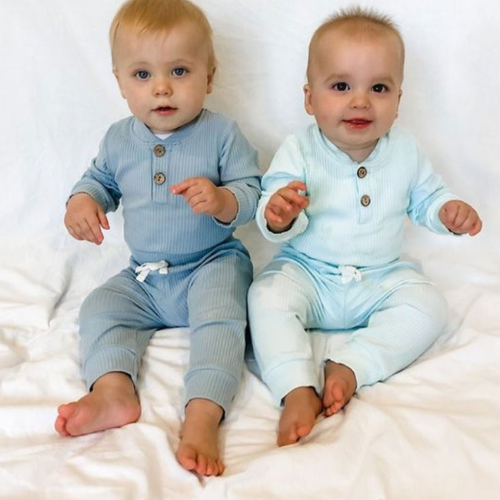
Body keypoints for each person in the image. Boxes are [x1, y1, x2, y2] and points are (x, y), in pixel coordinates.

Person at [247, 6, 482, 448]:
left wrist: (447, 211)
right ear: (309, 99)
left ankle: (352, 366)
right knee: (265, 297)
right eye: (341, 86)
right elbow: (272, 204)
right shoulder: (299, 149)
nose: (360, 101)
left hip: (380, 277)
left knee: (430, 306)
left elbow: (427, 197)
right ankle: (295, 387)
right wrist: (280, 214)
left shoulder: (404, 150)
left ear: (398, 100)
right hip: (309, 274)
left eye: (379, 88)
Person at [54, 0, 261, 477]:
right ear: (120, 82)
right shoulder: (119, 139)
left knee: (221, 322)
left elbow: (252, 192)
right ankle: (113, 391)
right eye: (142, 74)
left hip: (212, 264)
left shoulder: (221, 134)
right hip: (146, 278)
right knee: (99, 307)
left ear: (209, 76)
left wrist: (223, 199)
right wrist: (82, 202)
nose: (162, 87)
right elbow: (99, 181)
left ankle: (203, 414)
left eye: (179, 71)